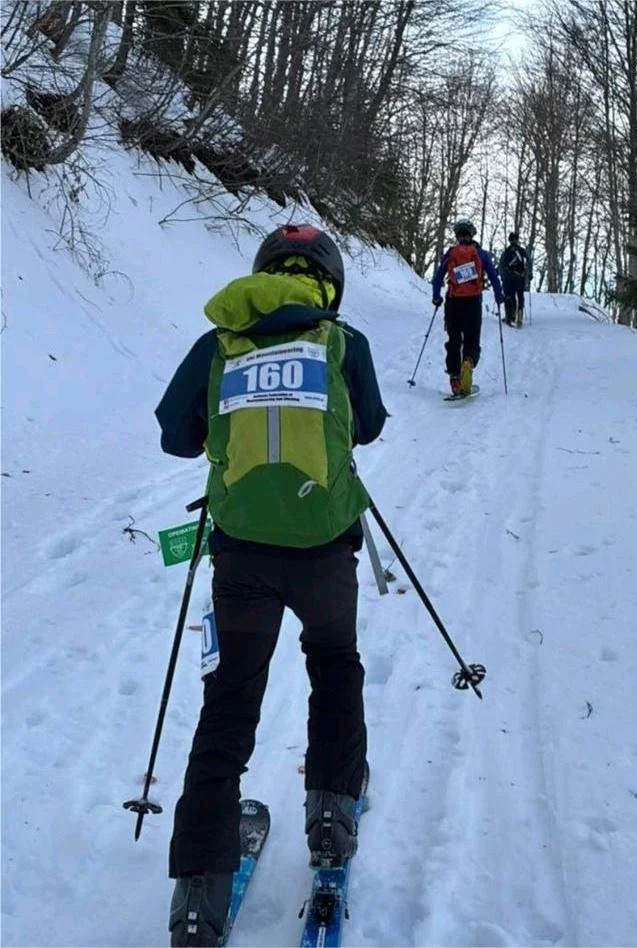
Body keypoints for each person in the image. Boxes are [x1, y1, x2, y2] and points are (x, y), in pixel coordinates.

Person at [155, 224, 387, 947]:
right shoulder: (343, 342)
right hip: (324, 553)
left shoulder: (218, 341)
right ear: (330, 280)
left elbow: (174, 434)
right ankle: (331, 812)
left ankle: (198, 890)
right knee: (334, 664)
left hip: (241, 562)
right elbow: (371, 426)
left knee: (227, 705)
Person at [431, 218, 504, 396]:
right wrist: (499, 296)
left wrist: (436, 297)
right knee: (472, 340)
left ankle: (455, 379)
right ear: (472, 234)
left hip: (453, 303)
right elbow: (494, 277)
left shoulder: (450, 254)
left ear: (457, 235)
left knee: (454, 340)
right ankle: (469, 362)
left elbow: (438, 277)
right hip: (473, 303)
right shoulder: (482, 255)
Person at [498, 232, 532, 327]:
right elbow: (529, 261)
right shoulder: (521, 251)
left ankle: (511, 316)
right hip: (520, 277)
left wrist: (501, 275)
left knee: (511, 296)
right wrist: (529, 273)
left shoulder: (507, 251)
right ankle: (518, 318)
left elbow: (501, 264)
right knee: (519, 296)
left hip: (509, 277)